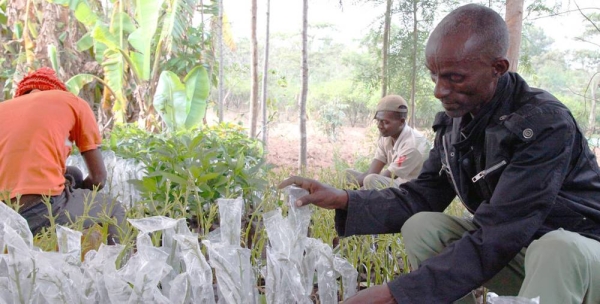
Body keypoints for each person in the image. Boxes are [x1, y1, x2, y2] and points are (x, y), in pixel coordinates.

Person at [279, 4, 600, 304]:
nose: (438, 90)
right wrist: (344, 199)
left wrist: (396, 293)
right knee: (423, 227)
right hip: (522, 251)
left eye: (454, 78)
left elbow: (501, 230)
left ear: (497, 68)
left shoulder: (543, 124)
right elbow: (421, 196)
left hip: (581, 259)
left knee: (558, 248)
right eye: (434, 76)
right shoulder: (455, 123)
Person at [0, 67, 126, 244]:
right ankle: (123, 266)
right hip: (42, 208)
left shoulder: (4, 108)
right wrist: (79, 195)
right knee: (112, 208)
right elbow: (99, 179)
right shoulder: (72, 102)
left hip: (4, 216)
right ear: (56, 90)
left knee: (73, 173)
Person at [345, 95, 430, 189]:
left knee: (371, 180)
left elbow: (385, 177)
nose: (379, 126)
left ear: (401, 122)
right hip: (396, 184)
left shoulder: (413, 145)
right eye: (378, 121)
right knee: (348, 175)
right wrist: (346, 190)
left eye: (385, 122)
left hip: (412, 191)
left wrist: (349, 196)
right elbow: (372, 172)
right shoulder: (386, 137)